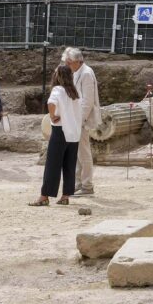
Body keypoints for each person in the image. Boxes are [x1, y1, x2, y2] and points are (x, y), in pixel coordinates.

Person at [34, 64, 81, 206]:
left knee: (52, 165)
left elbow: (51, 103)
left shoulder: (58, 90)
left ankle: (44, 196)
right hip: (74, 132)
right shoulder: (74, 92)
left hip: (60, 131)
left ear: (58, 76)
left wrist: (52, 116)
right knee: (69, 165)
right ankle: (65, 196)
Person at [66, 46, 101, 196]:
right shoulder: (78, 72)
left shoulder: (86, 73)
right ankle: (78, 183)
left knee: (84, 153)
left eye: (69, 62)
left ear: (76, 61)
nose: (67, 65)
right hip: (75, 118)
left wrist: (80, 120)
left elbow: (88, 100)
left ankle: (87, 185)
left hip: (81, 119)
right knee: (78, 153)